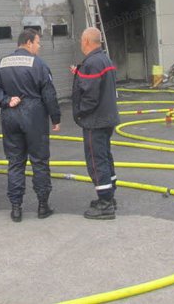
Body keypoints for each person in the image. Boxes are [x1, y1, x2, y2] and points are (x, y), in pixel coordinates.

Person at [0, 28, 61, 222]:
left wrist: (5, 100)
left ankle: (16, 208)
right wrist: (56, 118)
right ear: (28, 42)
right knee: (39, 161)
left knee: (16, 162)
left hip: (11, 116)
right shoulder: (39, 64)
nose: (39, 47)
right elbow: (49, 94)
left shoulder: (3, 62)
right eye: (37, 43)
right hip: (34, 116)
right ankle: (43, 205)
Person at [71, 27, 120, 220]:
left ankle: (105, 204)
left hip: (95, 121)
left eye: (82, 41)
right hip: (107, 118)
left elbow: (90, 96)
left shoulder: (91, 63)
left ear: (87, 42)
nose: (81, 44)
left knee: (95, 160)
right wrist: (78, 72)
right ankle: (109, 196)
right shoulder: (104, 59)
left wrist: (80, 114)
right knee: (105, 157)